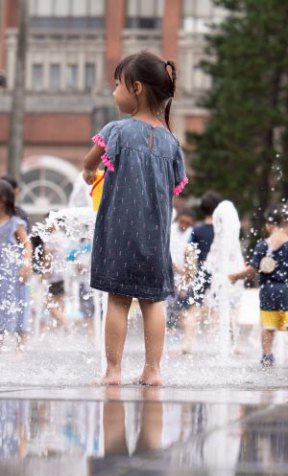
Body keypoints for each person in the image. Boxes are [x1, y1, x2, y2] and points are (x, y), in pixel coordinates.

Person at [82, 51, 187, 385]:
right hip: (156, 238)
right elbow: (173, 188)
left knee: (117, 299)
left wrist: (88, 170)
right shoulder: (171, 142)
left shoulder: (118, 131)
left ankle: (113, 371)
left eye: (117, 85)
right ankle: (153, 371)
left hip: (118, 232)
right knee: (153, 302)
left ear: (137, 88)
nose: (114, 92)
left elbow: (90, 159)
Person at [229, 205, 288, 368]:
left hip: (267, 290)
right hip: (287, 289)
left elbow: (252, 270)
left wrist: (235, 276)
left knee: (268, 326)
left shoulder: (263, 245)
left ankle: (267, 356)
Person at [180, 191, 221, 353]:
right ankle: (217, 343)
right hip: (218, 273)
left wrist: (188, 275)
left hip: (202, 271)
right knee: (218, 308)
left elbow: (188, 252)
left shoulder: (197, 231)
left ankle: (188, 343)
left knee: (193, 308)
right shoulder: (222, 230)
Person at [0, 180, 32, 351]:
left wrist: (26, 265)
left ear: (4, 200)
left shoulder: (15, 222)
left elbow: (27, 244)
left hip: (14, 272)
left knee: (20, 305)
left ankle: (20, 347)